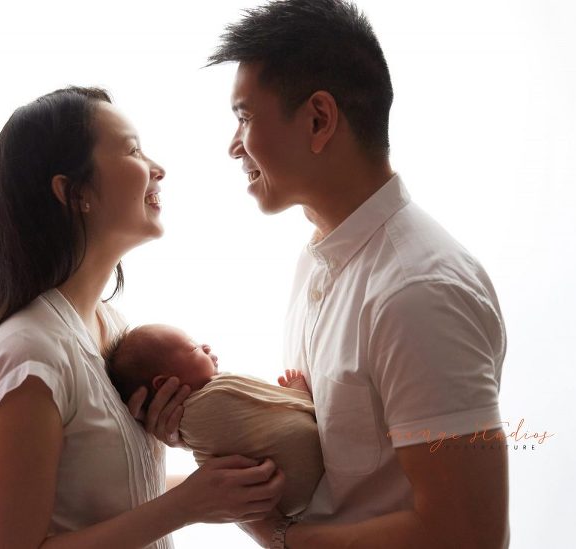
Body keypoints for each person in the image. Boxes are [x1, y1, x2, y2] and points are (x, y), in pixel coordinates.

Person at [178, 0, 508, 546]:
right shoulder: (321, 258)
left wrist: (281, 538)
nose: (233, 145)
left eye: (244, 117)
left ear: (318, 119)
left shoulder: (418, 292)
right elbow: (334, 474)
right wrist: (197, 424)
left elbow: (466, 534)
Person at [0, 87, 285, 549]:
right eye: (132, 149)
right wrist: (187, 505)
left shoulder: (108, 325)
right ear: (73, 192)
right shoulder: (27, 355)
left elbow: (101, 502)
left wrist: (209, 484)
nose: (158, 168)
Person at [104, 323, 324, 516]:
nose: (206, 346)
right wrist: (297, 392)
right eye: (193, 348)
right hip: (312, 471)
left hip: (288, 499)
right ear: (164, 384)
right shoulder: (214, 397)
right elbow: (291, 407)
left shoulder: (195, 423)